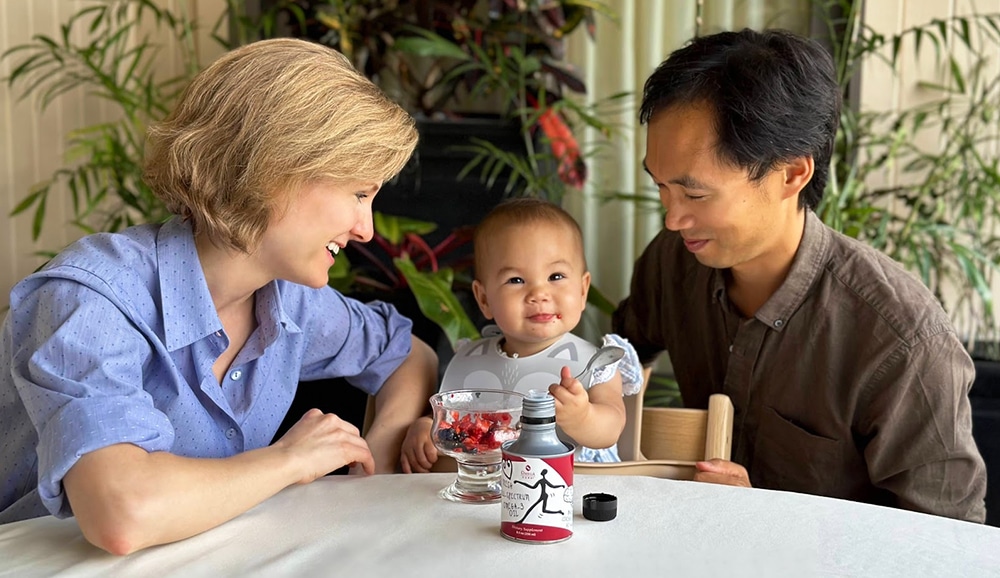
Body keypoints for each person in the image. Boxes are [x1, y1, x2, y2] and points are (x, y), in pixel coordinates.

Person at [0, 38, 439, 553]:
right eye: (359, 194)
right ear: (276, 169)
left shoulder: (290, 300)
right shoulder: (90, 300)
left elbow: (408, 354)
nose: (366, 229)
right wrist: (291, 459)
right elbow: (122, 513)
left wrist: (380, 455)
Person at [613, 28, 987, 522]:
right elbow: (618, 357)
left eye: (695, 195)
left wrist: (766, 516)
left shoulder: (902, 341)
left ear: (791, 174)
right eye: (660, 186)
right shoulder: (674, 260)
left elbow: (946, 547)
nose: (671, 218)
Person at [400, 199, 643, 473]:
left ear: (583, 289)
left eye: (556, 276)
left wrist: (583, 417)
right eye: (516, 280)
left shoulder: (595, 364)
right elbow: (451, 421)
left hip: (571, 494)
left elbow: (611, 428)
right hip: (486, 490)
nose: (539, 293)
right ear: (484, 299)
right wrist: (424, 427)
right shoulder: (472, 358)